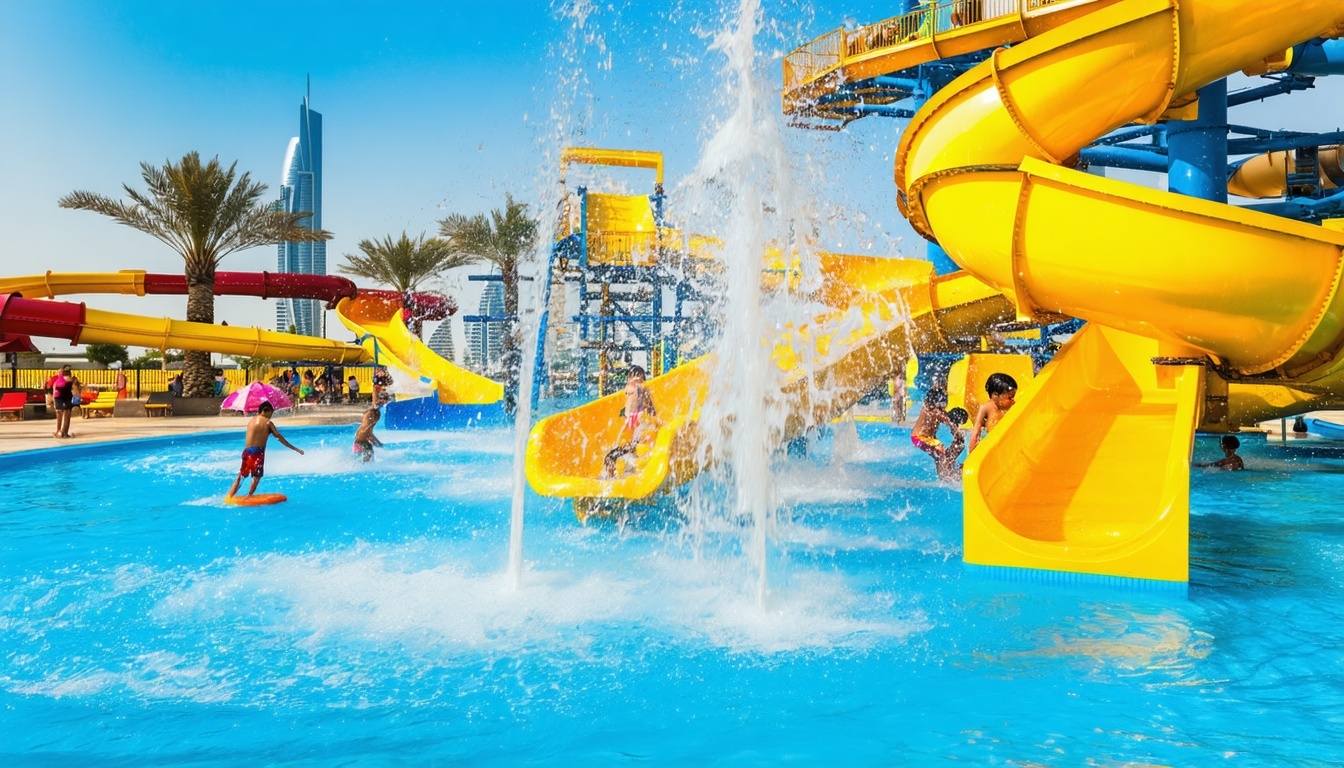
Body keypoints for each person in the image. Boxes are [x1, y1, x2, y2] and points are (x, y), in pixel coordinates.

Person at [225, 401, 304, 498]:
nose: (271, 416)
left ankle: (230, 495)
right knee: (257, 476)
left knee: (242, 475)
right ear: (266, 411)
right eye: (271, 413)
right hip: (257, 452)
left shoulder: (252, 421)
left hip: (247, 451)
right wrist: (295, 449)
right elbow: (279, 437)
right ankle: (249, 496)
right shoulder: (268, 422)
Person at [602, 366, 658, 478]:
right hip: (635, 444)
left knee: (612, 456)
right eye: (632, 380)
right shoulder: (632, 409)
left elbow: (651, 418)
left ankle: (611, 479)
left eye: (638, 379)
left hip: (640, 445)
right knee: (610, 457)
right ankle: (610, 478)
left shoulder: (644, 399)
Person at [910, 389, 965, 479]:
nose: (944, 407)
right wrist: (957, 431)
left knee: (939, 455)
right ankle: (946, 476)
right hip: (920, 438)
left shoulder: (931, 409)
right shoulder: (933, 411)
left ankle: (945, 473)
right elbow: (948, 420)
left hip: (920, 438)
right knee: (941, 452)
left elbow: (946, 416)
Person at [967, 372, 1018, 453]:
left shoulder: (1012, 407)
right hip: (991, 447)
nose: (1013, 400)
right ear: (995, 396)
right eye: (1009, 397)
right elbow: (975, 434)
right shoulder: (986, 408)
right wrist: (971, 457)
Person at [50, 365, 77, 438]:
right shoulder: (72, 380)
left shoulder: (57, 381)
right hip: (68, 398)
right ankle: (65, 432)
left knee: (59, 415)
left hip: (59, 398)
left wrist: (54, 401)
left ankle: (58, 431)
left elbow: (54, 390)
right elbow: (75, 390)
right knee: (67, 415)